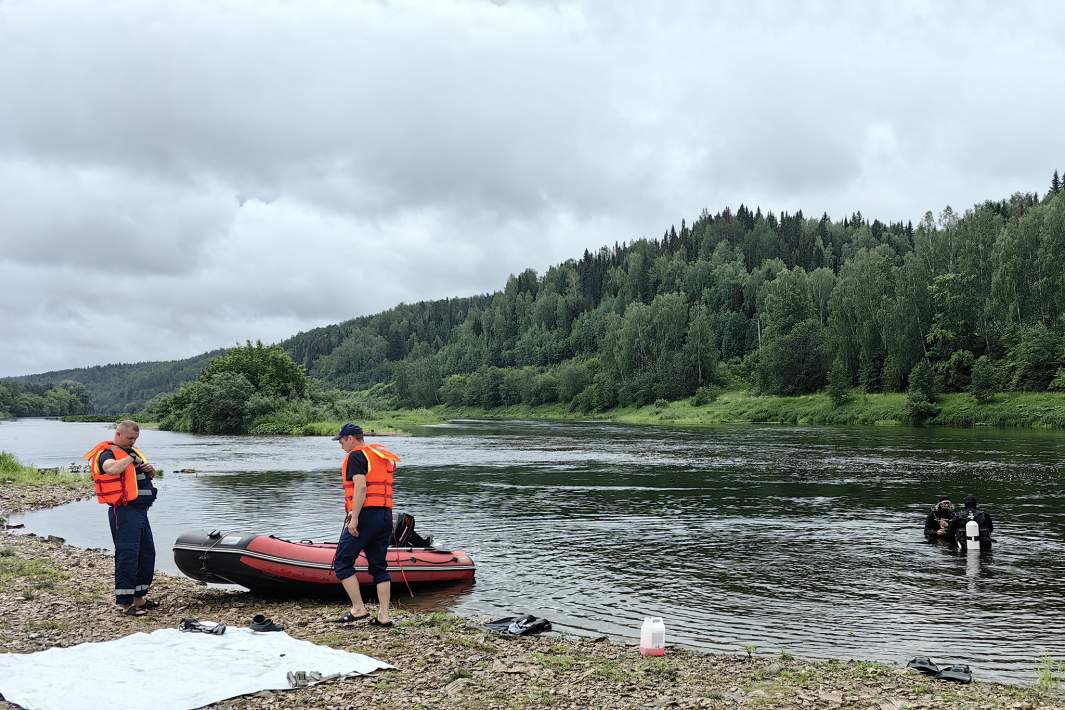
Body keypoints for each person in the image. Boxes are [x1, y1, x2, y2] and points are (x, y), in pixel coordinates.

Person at [82, 420, 158, 616]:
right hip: (123, 511)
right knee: (127, 554)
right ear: (118, 434)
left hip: (140, 511)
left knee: (146, 553)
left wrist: (150, 471)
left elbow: (140, 477)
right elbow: (111, 469)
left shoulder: (131, 452)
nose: (133, 442)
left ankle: (139, 598)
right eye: (130, 438)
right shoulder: (107, 453)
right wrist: (130, 459)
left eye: (135, 439)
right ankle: (124, 603)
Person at [331, 423, 401, 627]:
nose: (341, 445)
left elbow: (361, 486)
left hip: (366, 516)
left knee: (343, 562)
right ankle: (384, 616)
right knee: (379, 566)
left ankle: (359, 608)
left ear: (351, 438)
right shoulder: (379, 455)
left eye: (342, 440)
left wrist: (354, 518)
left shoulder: (356, 456)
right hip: (385, 516)